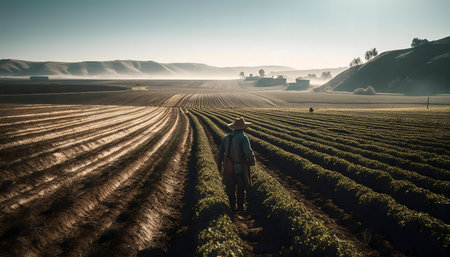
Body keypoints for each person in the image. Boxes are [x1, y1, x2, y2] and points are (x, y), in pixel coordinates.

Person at [217, 117, 256, 212]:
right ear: (244, 128)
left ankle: (232, 207)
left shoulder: (226, 137)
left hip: (228, 168)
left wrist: (219, 164)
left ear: (234, 127)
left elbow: (220, 153)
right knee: (241, 189)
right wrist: (252, 161)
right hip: (240, 168)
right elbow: (248, 152)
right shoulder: (243, 138)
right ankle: (240, 208)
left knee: (230, 188)